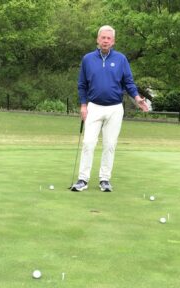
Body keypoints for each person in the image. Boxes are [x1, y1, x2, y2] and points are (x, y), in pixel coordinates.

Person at [71, 25, 149, 192]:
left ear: (113, 41)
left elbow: (128, 82)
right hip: (93, 107)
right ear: (98, 40)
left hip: (114, 108)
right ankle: (83, 179)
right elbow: (82, 85)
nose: (105, 41)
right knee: (88, 143)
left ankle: (104, 179)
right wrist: (83, 105)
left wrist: (137, 98)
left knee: (109, 144)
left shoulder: (121, 59)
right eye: (103, 38)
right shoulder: (88, 59)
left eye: (109, 38)